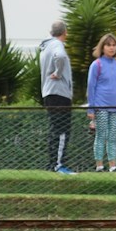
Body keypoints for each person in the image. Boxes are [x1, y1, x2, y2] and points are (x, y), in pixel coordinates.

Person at [85, 33, 116, 173]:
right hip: (101, 106)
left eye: (114, 45)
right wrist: (91, 109)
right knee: (101, 135)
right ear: (102, 47)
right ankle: (99, 165)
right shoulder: (96, 65)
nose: (111, 48)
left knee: (113, 136)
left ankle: (113, 165)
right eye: (108, 45)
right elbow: (91, 86)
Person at [39, 21, 75, 174]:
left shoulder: (46, 46)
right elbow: (60, 57)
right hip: (59, 92)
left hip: (49, 92)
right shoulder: (57, 45)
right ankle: (58, 164)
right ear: (65, 32)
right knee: (62, 129)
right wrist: (59, 73)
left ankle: (52, 163)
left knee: (54, 129)